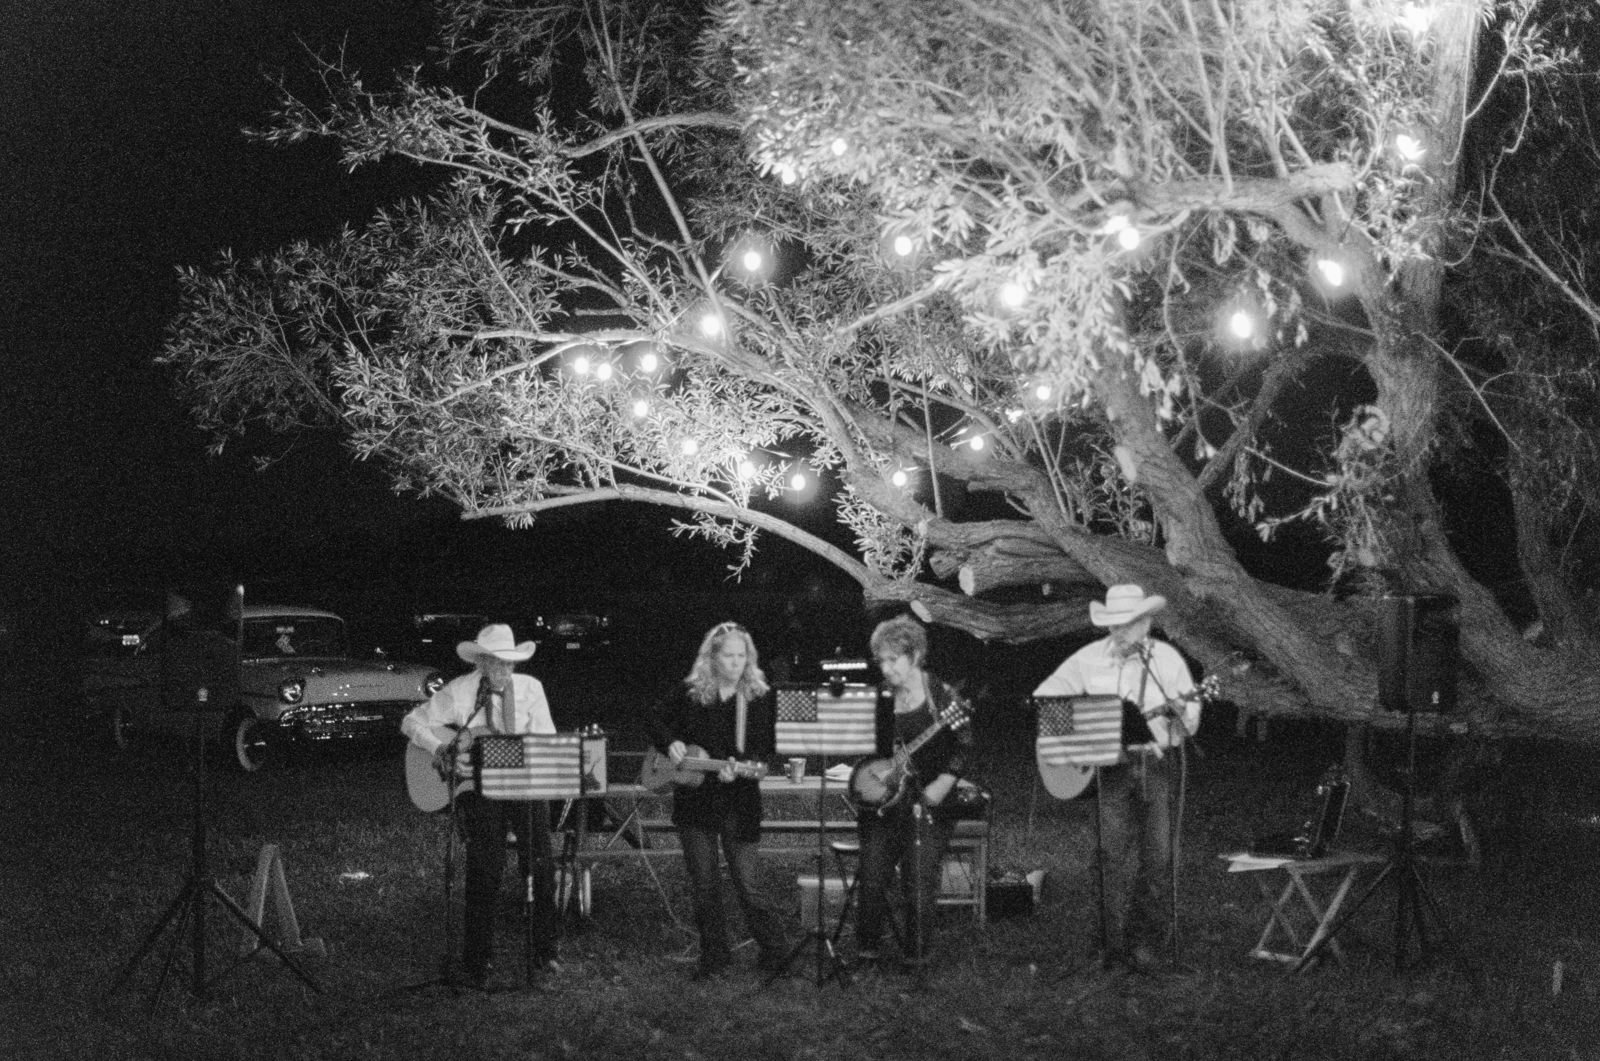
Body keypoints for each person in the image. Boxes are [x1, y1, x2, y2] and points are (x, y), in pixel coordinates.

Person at [1032, 584, 1200, 973]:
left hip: (1156, 766)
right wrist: (1081, 737)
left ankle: (1146, 944)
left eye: (1127, 625)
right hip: (1110, 769)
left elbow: (1189, 720)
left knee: (1159, 857)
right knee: (1110, 858)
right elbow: (1047, 698)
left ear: (1146, 623)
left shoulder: (1167, 661)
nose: (1119, 633)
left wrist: (1174, 718)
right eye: (1113, 625)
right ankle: (1109, 946)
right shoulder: (1088, 660)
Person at [400, 623, 560, 990]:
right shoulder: (460, 691)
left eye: (509, 664)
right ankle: (477, 959)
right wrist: (441, 748)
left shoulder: (531, 689)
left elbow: (547, 739)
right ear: (483, 663)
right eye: (497, 664)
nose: (504, 671)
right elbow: (411, 721)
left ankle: (545, 951)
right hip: (481, 792)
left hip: (525, 787)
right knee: (483, 869)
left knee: (539, 863)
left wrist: (531, 751)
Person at [647, 622, 791, 980]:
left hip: (740, 802)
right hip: (695, 802)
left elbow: (764, 753)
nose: (736, 663)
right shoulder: (691, 692)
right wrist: (671, 743)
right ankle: (714, 956)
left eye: (742, 655)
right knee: (704, 884)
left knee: (748, 883)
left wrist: (739, 769)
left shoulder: (758, 697)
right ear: (712, 656)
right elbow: (652, 718)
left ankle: (776, 951)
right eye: (728, 655)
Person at [855, 614, 973, 968]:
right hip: (883, 801)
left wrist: (943, 783)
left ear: (915, 655)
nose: (886, 668)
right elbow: (865, 748)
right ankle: (866, 953)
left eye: (894, 659)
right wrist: (871, 772)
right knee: (873, 878)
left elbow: (964, 745)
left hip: (929, 800)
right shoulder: (879, 698)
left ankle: (916, 956)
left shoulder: (942, 696)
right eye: (882, 660)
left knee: (918, 882)